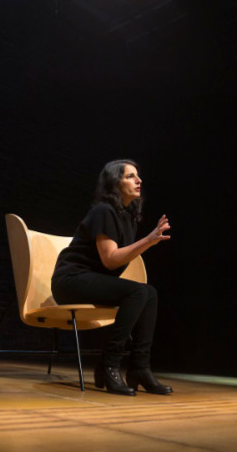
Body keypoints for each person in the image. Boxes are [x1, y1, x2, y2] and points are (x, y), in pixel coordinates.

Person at [51, 159, 172, 396]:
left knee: (149, 292)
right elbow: (110, 259)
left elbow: (114, 263)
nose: (139, 180)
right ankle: (109, 364)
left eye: (138, 176)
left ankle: (139, 368)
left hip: (89, 279)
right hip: (71, 280)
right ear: (114, 183)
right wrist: (148, 240)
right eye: (130, 176)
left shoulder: (127, 217)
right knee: (138, 291)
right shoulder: (103, 211)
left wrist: (146, 240)